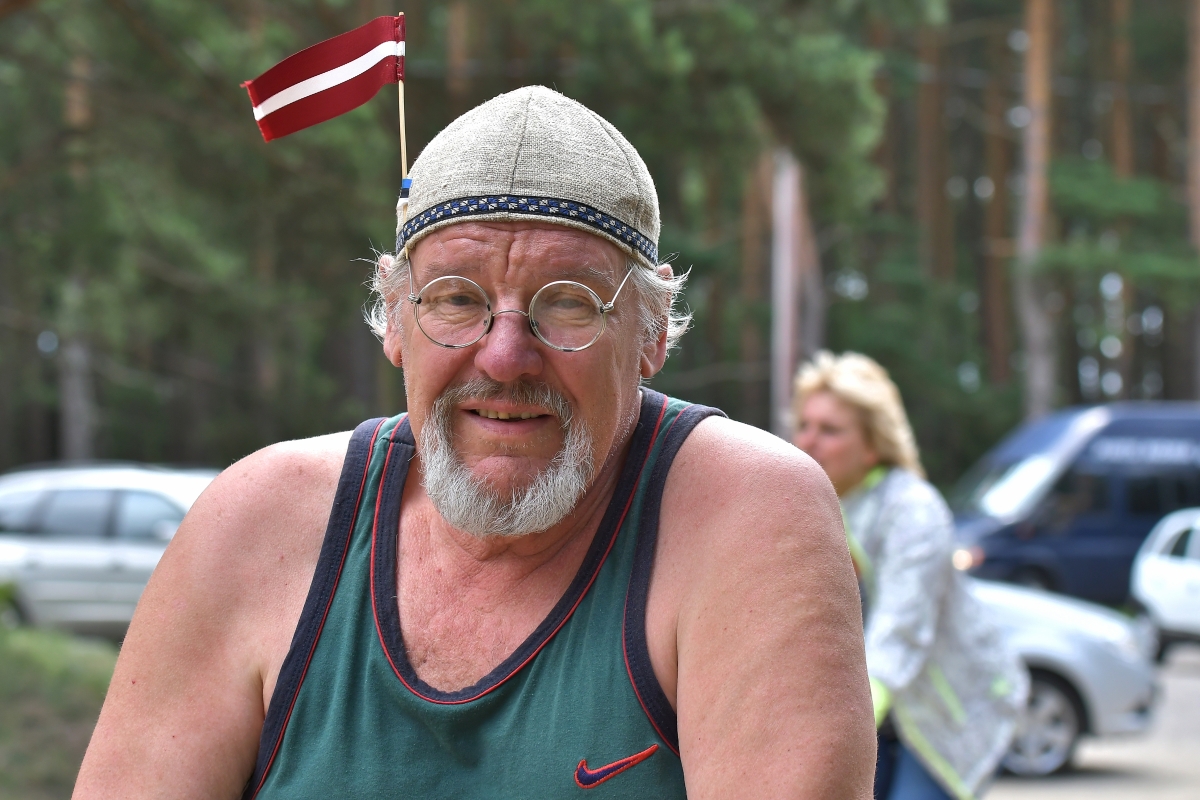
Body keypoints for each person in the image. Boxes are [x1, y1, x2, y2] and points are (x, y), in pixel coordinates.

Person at [73, 87, 875, 799]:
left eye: (568, 303)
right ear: (395, 321)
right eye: (457, 300)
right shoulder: (260, 524)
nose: (505, 356)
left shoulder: (744, 516)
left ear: (652, 333)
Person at [793, 352, 1025, 800]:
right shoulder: (812, 506)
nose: (809, 441)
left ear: (873, 445)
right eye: (804, 425)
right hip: (875, 712)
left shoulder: (914, 509)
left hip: (949, 709)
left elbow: (901, 628)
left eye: (830, 430)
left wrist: (842, 726)